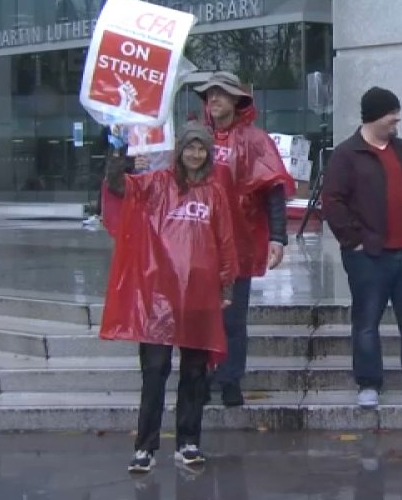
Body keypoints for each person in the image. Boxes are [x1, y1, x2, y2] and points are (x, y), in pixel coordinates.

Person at [99, 122, 238, 473]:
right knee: (155, 370)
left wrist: (226, 286)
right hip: (159, 296)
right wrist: (119, 150)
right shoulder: (158, 184)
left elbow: (224, 241)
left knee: (194, 372)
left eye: (201, 149)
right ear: (179, 151)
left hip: (199, 296)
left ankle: (189, 442)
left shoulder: (214, 192)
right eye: (190, 148)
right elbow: (119, 186)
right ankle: (145, 446)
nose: (195, 154)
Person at [322, 87, 402, 409]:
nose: (398, 118)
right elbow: (333, 201)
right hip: (369, 257)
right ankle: (368, 384)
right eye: (392, 113)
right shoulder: (347, 155)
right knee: (366, 323)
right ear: (376, 116)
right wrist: (355, 241)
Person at [195, 72, 294, 408]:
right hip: (198, 243)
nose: (215, 99)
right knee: (201, 314)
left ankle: (230, 379)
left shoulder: (255, 140)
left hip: (238, 241)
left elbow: (273, 190)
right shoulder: (197, 140)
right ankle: (202, 375)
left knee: (233, 318)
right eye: (210, 94)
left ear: (237, 99)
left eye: (222, 93)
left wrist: (277, 237)